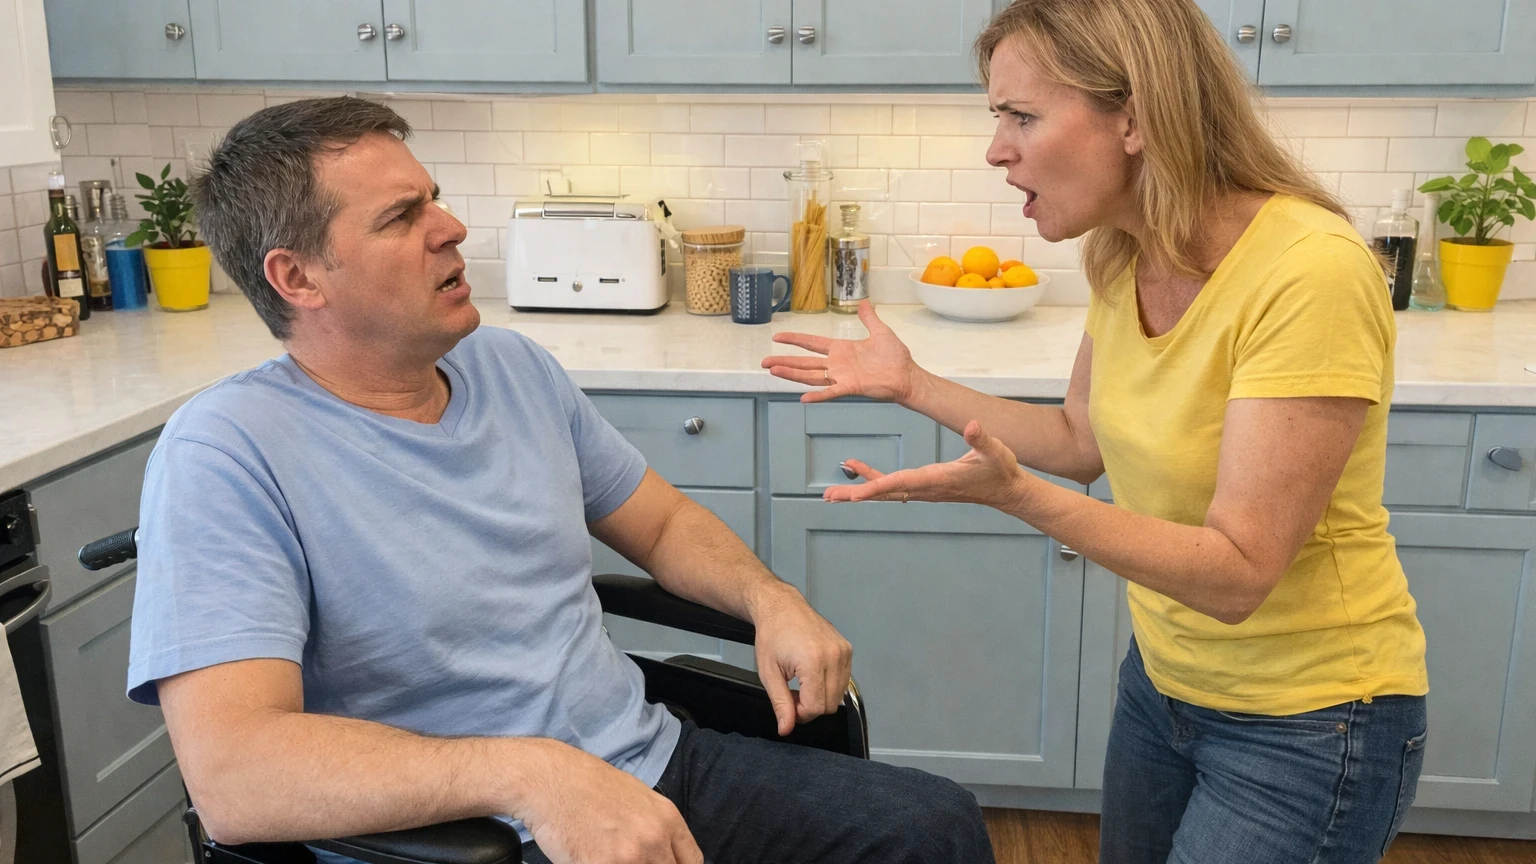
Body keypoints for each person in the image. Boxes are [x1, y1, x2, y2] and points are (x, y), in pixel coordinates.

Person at [125, 97, 994, 864]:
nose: (450, 227)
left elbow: (661, 526)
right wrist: (534, 775)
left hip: (646, 762)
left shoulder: (511, 367)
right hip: (460, 838)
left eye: (434, 198)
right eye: (400, 217)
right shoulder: (227, 454)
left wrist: (773, 600)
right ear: (297, 277)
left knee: (931, 827)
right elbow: (235, 776)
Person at [763, 1, 1428, 862]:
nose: (996, 149)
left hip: (1312, 721)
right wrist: (914, 385)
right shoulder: (1124, 251)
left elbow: (1238, 576)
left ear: (1135, 120)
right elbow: (1082, 439)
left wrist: (1019, 498)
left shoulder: (1311, 273)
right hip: (1163, 685)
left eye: (1021, 116)